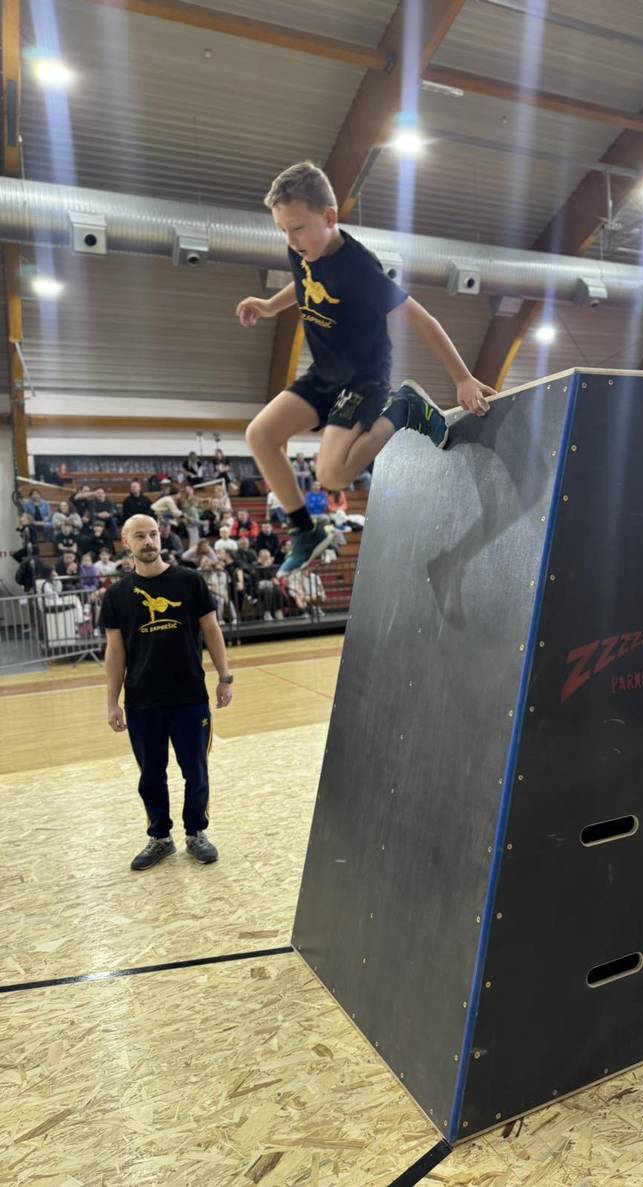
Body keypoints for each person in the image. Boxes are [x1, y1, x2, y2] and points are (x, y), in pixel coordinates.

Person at [238, 161, 495, 577]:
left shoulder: (361, 269)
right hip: (324, 373)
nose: (290, 239)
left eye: (298, 227)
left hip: (362, 378)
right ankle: (305, 531)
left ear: (329, 216)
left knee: (332, 475)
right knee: (261, 435)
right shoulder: (301, 248)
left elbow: (423, 320)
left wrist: (463, 378)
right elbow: (305, 283)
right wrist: (270, 305)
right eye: (283, 229)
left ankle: (405, 409)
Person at [101, 515, 233, 871]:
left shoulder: (189, 582)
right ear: (126, 542)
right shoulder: (116, 596)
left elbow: (212, 630)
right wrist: (112, 702)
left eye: (154, 534)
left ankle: (196, 834)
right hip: (143, 702)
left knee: (196, 771)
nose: (149, 541)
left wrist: (225, 676)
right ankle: (160, 838)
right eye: (140, 536)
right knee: (151, 776)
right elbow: (115, 652)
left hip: (190, 697)